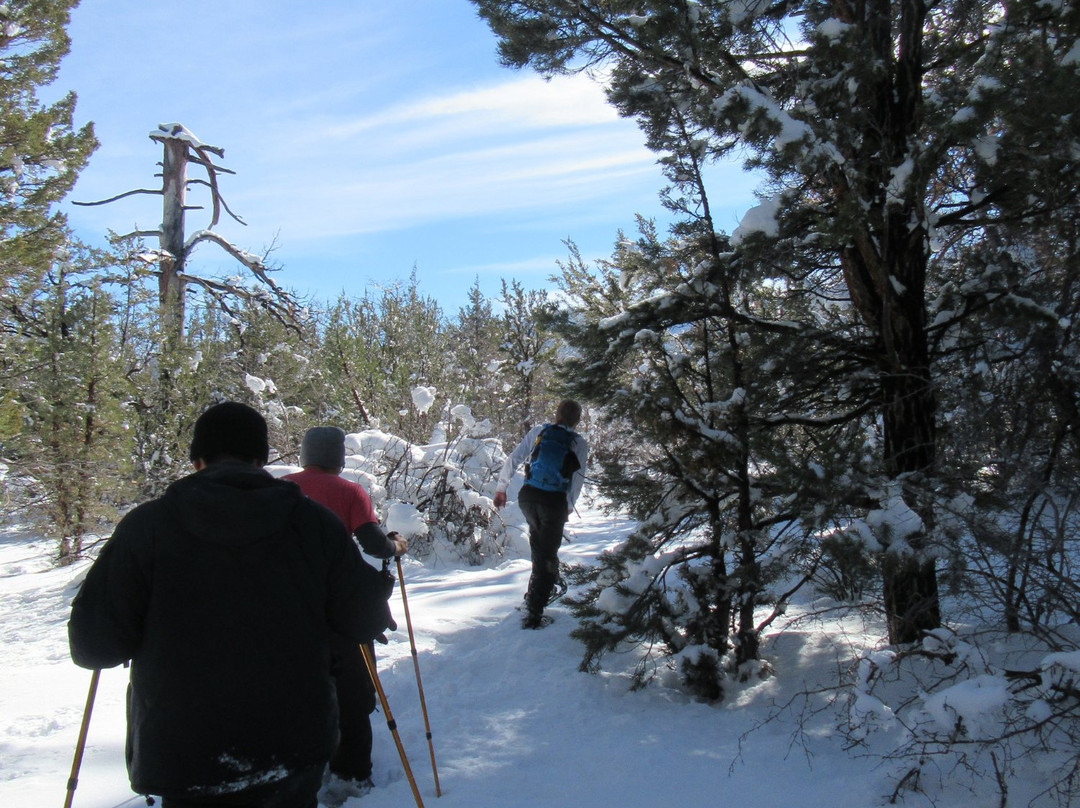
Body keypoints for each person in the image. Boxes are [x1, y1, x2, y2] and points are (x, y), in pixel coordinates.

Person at [68, 402, 394, 808]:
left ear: (197, 459)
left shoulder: (146, 527)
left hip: (183, 751)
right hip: (293, 744)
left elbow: (94, 646)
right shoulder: (314, 524)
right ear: (261, 458)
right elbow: (365, 618)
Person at [283, 426, 406, 794]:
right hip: (339, 610)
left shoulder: (282, 489)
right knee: (351, 691)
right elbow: (374, 546)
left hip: (286, 608)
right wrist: (396, 545)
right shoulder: (350, 492)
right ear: (338, 456)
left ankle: (302, 763)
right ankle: (350, 774)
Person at [493, 400, 588, 629]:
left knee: (540, 549)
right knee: (546, 555)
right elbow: (578, 478)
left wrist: (501, 488)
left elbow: (514, 458)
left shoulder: (540, 431)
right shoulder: (578, 442)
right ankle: (533, 616)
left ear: (556, 414)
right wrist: (568, 505)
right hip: (553, 502)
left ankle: (533, 598)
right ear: (578, 420)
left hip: (528, 497)